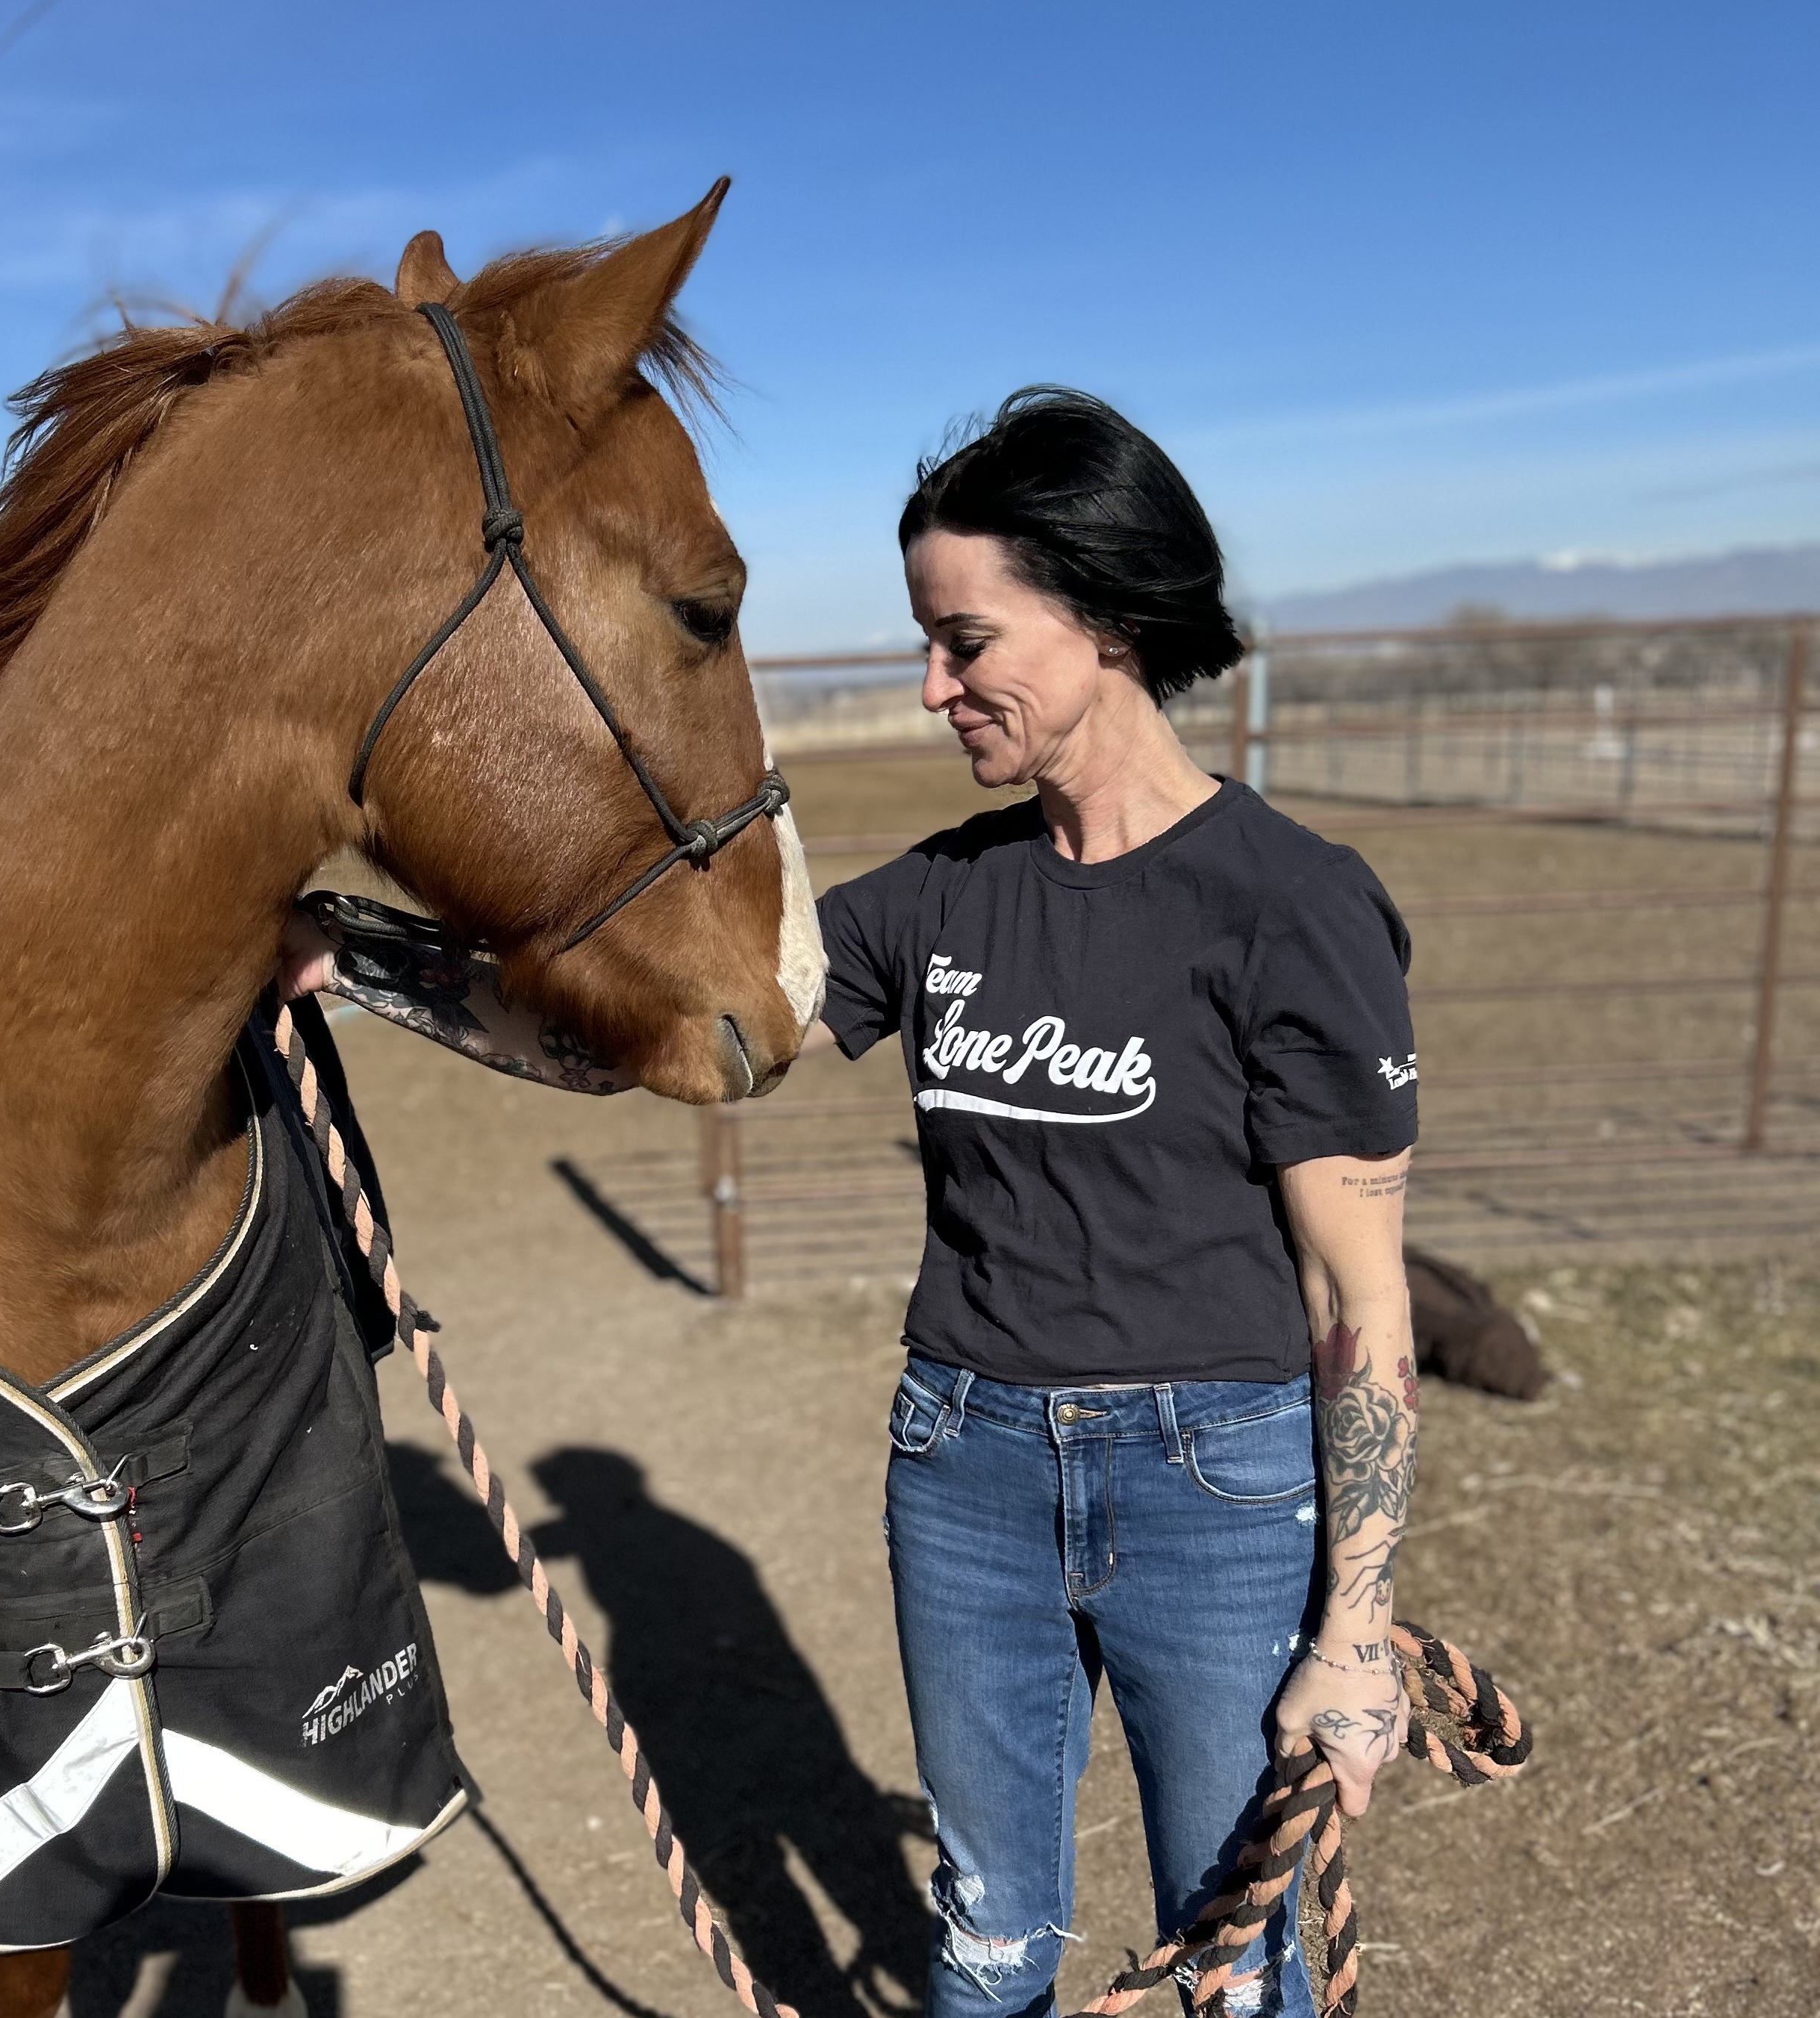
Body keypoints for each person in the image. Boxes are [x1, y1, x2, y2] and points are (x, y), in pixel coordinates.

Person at [277, 387, 1421, 2018]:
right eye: (925, 640)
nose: (934, 683)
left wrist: (1357, 1630)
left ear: (1106, 615)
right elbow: (644, 1042)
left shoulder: (1292, 907)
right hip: (965, 1469)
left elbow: (1361, 1304)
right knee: (983, 1935)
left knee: (1238, 1957)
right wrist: (348, 958)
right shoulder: (942, 900)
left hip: (1216, 1487)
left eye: (965, 639)